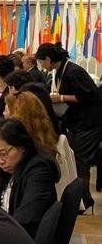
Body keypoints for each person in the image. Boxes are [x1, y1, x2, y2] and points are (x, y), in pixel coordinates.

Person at [36, 42, 102, 210]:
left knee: (80, 161)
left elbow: (89, 96)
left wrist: (61, 98)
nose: (41, 66)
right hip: (77, 121)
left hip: (88, 123)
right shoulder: (62, 70)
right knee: (72, 157)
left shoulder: (73, 72)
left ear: (48, 59)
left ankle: (84, 200)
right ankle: (78, 199)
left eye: (41, 62)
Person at [0, 118, 59, 239]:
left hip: (20, 241)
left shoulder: (39, 171)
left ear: (22, 146)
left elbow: (27, 217)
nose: (0, 161)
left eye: (3, 153)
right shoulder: (9, 168)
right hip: (6, 231)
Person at [4, 91, 58, 157]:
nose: (4, 113)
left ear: (16, 116)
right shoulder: (43, 135)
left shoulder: (26, 148)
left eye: (5, 111)